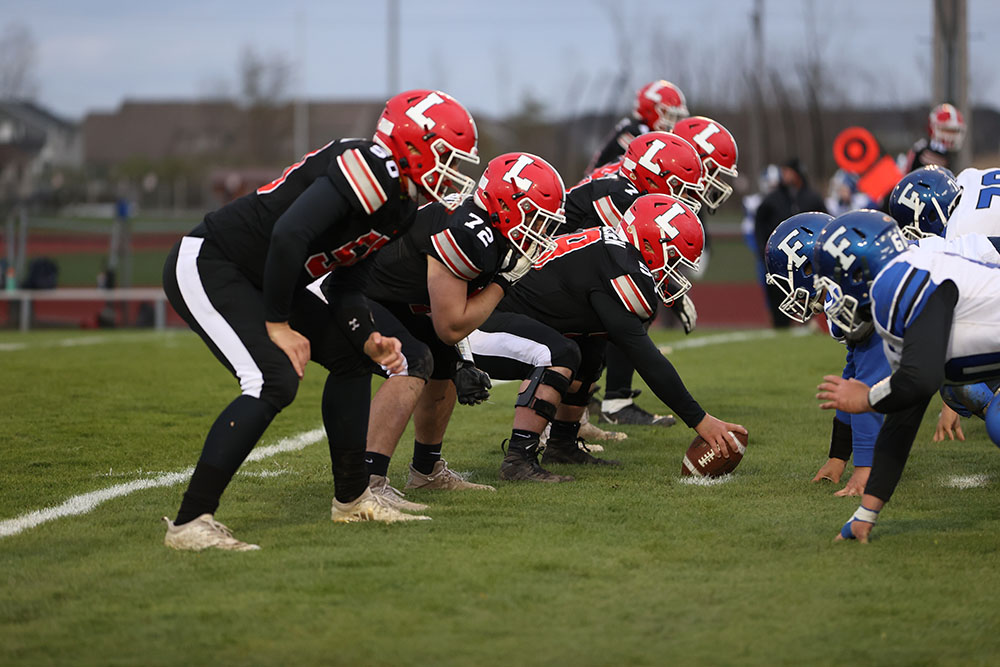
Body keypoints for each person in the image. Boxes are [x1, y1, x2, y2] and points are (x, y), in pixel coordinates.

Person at [160, 89, 481, 550]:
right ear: (413, 144)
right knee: (272, 380)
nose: (452, 170)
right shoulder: (369, 164)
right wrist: (277, 325)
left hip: (271, 277)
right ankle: (191, 522)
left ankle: (352, 499)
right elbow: (290, 234)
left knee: (353, 359)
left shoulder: (402, 208)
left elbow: (347, 283)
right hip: (216, 261)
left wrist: (366, 335)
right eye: (447, 155)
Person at [327, 152, 567, 505]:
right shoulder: (470, 233)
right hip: (355, 292)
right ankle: (367, 482)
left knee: (443, 365)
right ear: (505, 203)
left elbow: (447, 313)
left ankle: (426, 473)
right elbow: (452, 324)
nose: (539, 229)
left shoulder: (486, 228)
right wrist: (504, 281)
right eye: (533, 216)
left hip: (398, 298)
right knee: (411, 361)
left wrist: (464, 360)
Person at [468, 194, 747, 481]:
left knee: (591, 347)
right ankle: (518, 459)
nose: (675, 271)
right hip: (480, 325)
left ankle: (562, 444)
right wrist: (700, 420)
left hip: (507, 318)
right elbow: (645, 358)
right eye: (673, 259)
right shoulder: (618, 266)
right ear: (649, 244)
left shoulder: (614, 251)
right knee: (561, 353)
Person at [812, 210, 1000, 542]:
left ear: (857, 271)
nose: (834, 296)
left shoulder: (895, 284)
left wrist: (867, 398)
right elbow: (905, 410)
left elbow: (921, 380)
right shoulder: (902, 279)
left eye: (835, 282)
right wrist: (865, 514)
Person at [564, 131, 705, 427]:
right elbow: (635, 256)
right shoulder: (621, 196)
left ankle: (578, 420)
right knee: (630, 304)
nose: (682, 196)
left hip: (566, 270)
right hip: (543, 276)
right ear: (653, 178)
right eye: (677, 185)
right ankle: (612, 403)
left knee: (617, 315)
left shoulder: (625, 187)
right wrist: (672, 291)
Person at [763, 212, 890, 496]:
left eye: (789, 278)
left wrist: (864, 471)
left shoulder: (860, 293)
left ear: (809, 268)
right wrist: (838, 457)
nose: (788, 291)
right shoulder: (847, 291)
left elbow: (864, 389)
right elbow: (853, 378)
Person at [753, 157, 827, 328]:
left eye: (788, 171)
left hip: (809, 258)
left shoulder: (812, 197)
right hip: (781, 256)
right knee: (778, 290)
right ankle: (780, 324)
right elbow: (759, 224)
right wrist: (761, 249)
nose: (784, 175)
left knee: (814, 291)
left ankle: (812, 322)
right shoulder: (772, 199)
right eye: (783, 171)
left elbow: (827, 223)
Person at [585, 80, 689, 175]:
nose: (673, 122)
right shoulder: (634, 132)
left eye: (676, 117)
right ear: (649, 110)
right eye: (668, 115)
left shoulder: (639, 129)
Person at [901, 103, 966, 174]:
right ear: (933, 128)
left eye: (954, 131)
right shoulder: (921, 151)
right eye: (946, 130)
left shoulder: (954, 154)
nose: (951, 136)